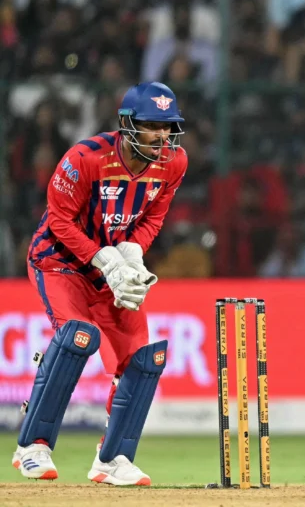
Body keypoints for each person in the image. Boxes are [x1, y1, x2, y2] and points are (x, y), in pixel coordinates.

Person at [12, 82, 187, 486]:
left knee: (143, 360)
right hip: (59, 262)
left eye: (168, 127)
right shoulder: (85, 158)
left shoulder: (174, 162)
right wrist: (102, 259)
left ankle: (113, 459)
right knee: (77, 337)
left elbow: (154, 217)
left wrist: (132, 253)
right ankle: (32, 447)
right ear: (127, 124)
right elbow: (59, 220)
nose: (162, 136)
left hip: (110, 269)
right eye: (152, 126)